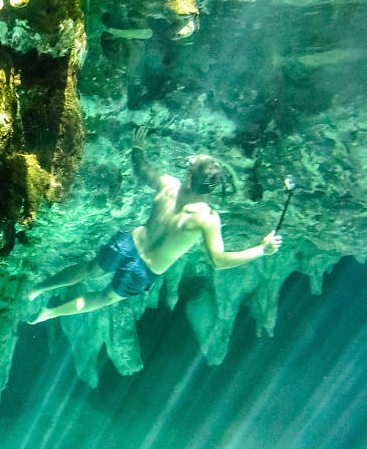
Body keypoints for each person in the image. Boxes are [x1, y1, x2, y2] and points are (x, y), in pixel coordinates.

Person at [26, 126, 282, 324]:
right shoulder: (207, 218)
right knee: (105, 298)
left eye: (190, 163)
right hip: (146, 269)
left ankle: (37, 289)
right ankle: (49, 313)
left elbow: (141, 169)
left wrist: (137, 147)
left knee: (89, 268)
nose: (188, 162)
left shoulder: (168, 185)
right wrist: (262, 249)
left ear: (190, 176)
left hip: (128, 243)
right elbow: (218, 261)